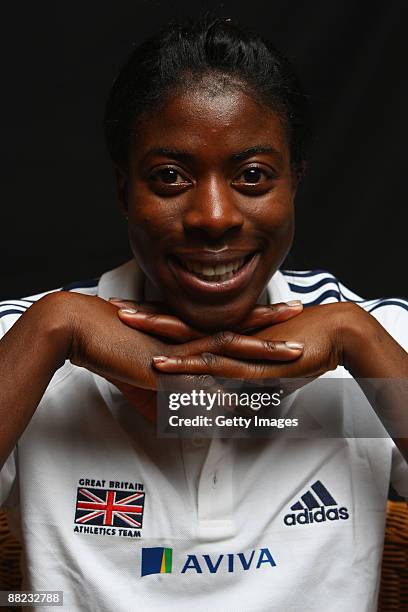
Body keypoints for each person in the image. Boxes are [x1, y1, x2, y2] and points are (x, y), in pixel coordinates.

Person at [0, 15, 407, 611]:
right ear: (123, 190)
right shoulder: (27, 342)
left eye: (252, 176)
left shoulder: (381, 338)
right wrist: (53, 326)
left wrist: (356, 338)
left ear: (294, 183)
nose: (213, 215)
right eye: (170, 177)